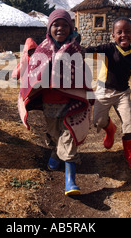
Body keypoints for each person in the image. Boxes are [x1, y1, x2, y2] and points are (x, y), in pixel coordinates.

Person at [18, 10, 92, 196]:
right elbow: (33, 70)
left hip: (71, 101)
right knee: (54, 132)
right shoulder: (42, 48)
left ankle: (70, 180)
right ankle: (54, 152)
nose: (60, 28)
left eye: (65, 25)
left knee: (69, 135)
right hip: (50, 102)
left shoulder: (75, 49)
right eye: (56, 25)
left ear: (71, 27)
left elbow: (82, 72)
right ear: (49, 28)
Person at [85, 17, 131, 170]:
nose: (124, 35)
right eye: (119, 32)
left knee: (128, 124)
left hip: (123, 94)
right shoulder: (108, 49)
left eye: (127, 32)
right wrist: (77, 49)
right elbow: (91, 51)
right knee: (98, 121)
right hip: (104, 90)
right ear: (113, 35)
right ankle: (110, 129)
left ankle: (130, 155)